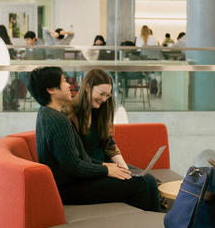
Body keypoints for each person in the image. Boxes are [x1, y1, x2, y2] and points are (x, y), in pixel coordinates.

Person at [29, 66, 160, 211]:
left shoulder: (50, 114)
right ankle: (153, 225)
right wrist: (105, 169)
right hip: (69, 188)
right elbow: (73, 167)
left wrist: (108, 166)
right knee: (143, 184)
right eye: (64, 81)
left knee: (147, 179)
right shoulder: (59, 119)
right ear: (51, 89)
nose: (69, 85)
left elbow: (80, 158)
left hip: (77, 179)